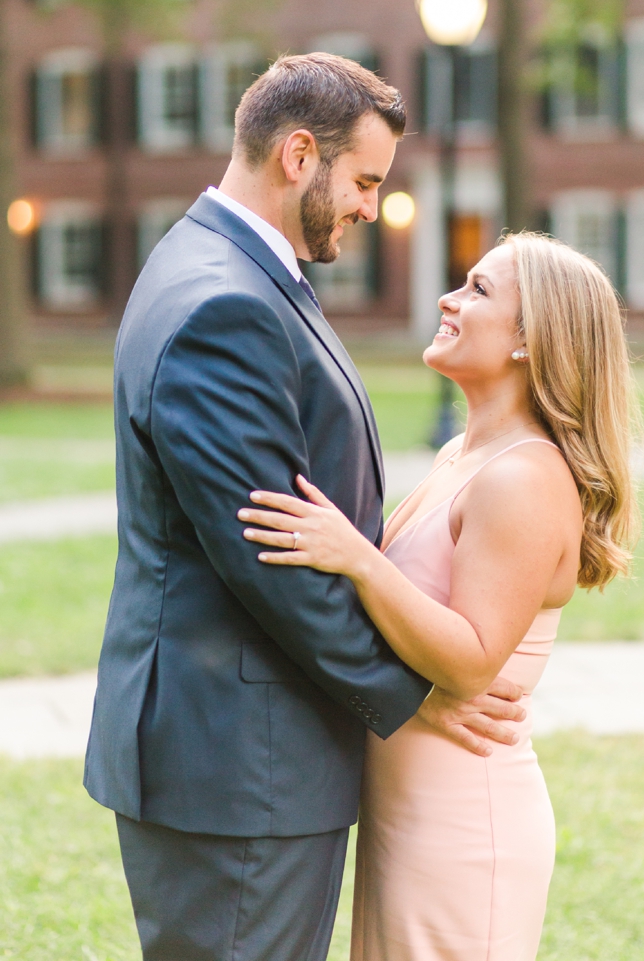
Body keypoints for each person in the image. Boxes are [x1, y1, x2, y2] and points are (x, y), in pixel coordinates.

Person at [86, 53, 529, 961]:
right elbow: (273, 555)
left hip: (242, 750)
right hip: (240, 757)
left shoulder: (217, 266)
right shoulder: (225, 304)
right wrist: (411, 697)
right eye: (365, 179)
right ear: (298, 155)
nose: (372, 205)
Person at [236, 231, 640, 959]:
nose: (450, 299)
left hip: (464, 819)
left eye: (480, 290)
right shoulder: (463, 455)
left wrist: (358, 557)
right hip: (408, 807)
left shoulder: (524, 476)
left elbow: (475, 658)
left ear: (529, 339)